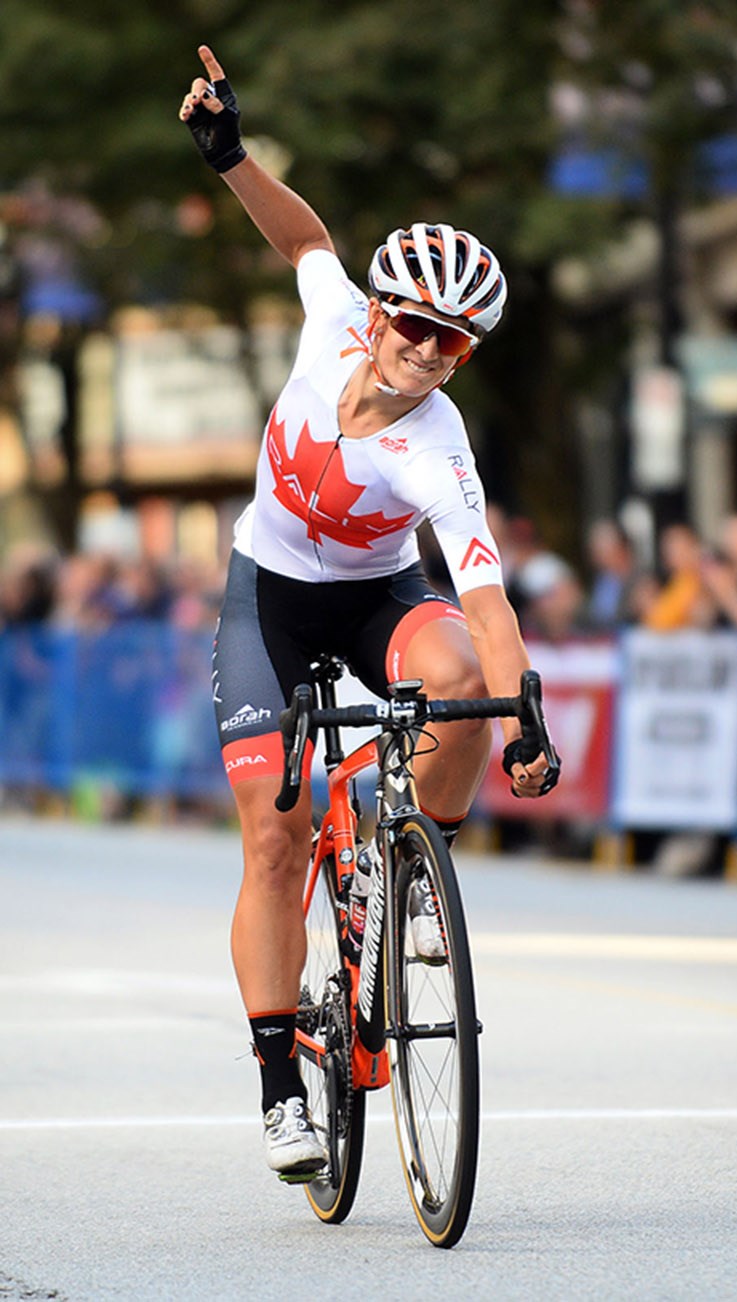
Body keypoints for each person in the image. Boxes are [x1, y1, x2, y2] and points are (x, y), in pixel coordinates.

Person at [179, 46, 558, 1182]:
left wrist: (520, 707)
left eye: (452, 341)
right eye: (412, 323)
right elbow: (304, 242)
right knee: (272, 833)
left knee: (457, 677)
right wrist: (233, 159)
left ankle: (415, 851)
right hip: (270, 599)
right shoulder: (334, 318)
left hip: (377, 596)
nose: (423, 350)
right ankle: (276, 1085)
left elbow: (483, 596)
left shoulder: (436, 450)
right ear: (382, 312)